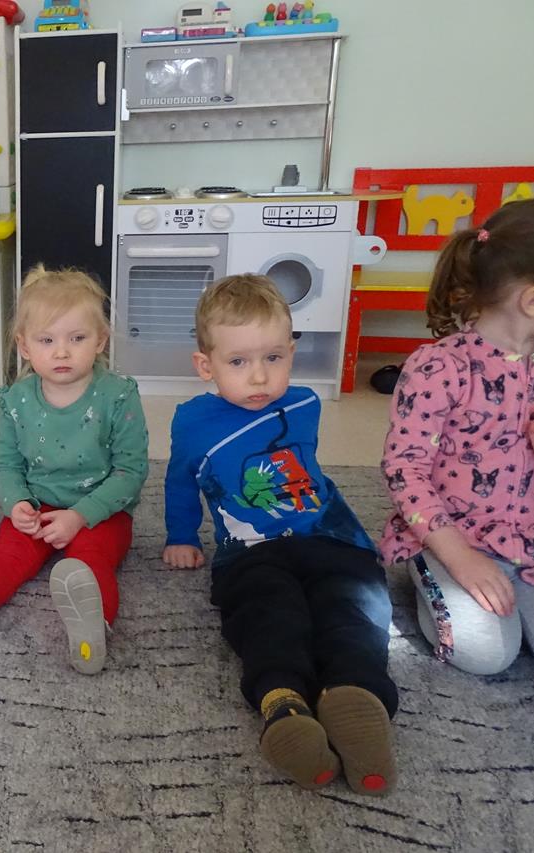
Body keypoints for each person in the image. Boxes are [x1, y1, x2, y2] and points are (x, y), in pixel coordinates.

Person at [163, 274, 397, 796]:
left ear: (292, 352)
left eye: (273, 357)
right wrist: (182, 534)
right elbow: (181, 479)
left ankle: (355, 693)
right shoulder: (193, 422)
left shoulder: (305, 403)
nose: (259, 377)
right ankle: (283, 703)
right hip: (251, 552)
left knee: (353, 608)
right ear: (205, 365)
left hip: (330, 538)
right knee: (268, 612)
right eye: (238, 362)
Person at [381, 198, 534, 681]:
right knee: (485, 654)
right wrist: (459, 557)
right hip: (455, 536)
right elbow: (405, 470)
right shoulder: (439, 367)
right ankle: (429, 570)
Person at [0, 266, 147, 674]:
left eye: (77, 338)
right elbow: (6, 464)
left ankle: (94, 629)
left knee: (89, 562)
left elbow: (130, 472)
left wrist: (80, 516)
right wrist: (17, 504)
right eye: (47, 340)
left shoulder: (118, 396)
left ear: (100, 340)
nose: (62, 352)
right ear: (24, 346)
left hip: (101, 512)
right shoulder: (15, 400)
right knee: (8, 555)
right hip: (37, 507)